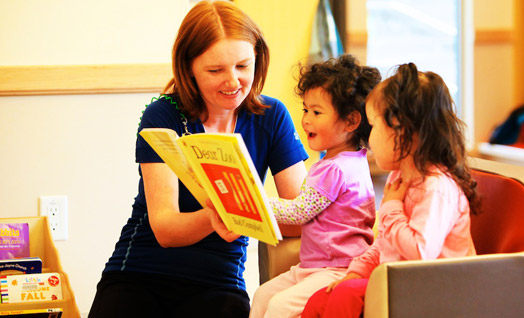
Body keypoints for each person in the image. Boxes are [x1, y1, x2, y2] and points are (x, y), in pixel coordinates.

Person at [88, 1, 308, 318]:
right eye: (215, 70)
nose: (233, 82)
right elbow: (164, 229)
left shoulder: (271, 117)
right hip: (139, 272)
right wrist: (215, 217)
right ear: (189, 67)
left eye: (243, 66)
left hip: (218, 282)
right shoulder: (163, 114)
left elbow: (302, 218)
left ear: (258, 59)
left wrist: (254, 213)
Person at [301, 63, 481, 318]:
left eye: (374, 127)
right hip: (400, 281)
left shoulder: (437, 188)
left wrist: (392, 208)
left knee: (345, 296)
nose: (369, 138)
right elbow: (386, 243)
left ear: (401, 131)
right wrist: (357, 270)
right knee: (321, 299)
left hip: (435, 288)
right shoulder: (399, 178)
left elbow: (420, 252)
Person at [249, 54, 381, 318]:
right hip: (313, 266)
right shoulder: (346, 161)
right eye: (305, 110)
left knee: (280, 306)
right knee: (263, 294)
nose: (306, 119)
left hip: (337, 268)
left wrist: (254, 201)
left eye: (317, 112)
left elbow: (300, 211)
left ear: (351, 122)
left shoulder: (336, 168)